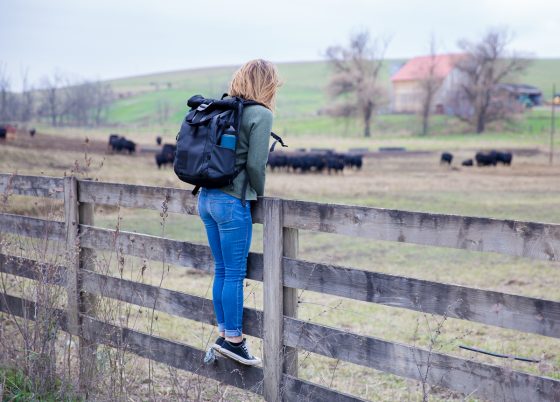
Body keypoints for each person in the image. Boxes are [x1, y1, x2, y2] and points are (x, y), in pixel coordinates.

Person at [197, 59, 281, 366]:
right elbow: (256, 165)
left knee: (221, 269)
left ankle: (224, 333)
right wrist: (260, 193)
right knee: (233, 273)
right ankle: (234, 340)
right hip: (232, 202)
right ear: (267, 85)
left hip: (206, 199)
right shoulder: (261, 114)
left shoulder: (223, 109)